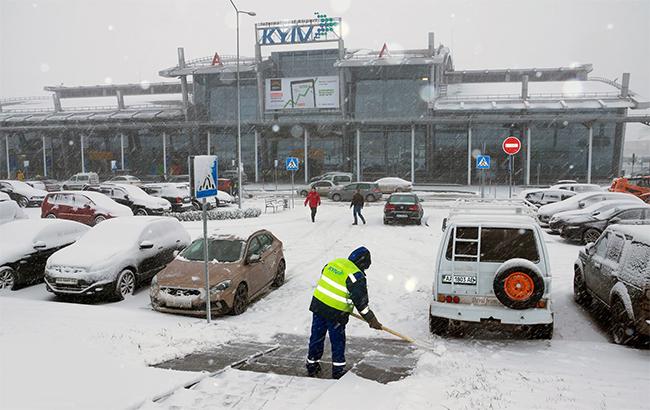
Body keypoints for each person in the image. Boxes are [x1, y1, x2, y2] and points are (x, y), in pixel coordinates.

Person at [306, 247, 382, 379]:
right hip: (336, 313)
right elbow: (361, 304)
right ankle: (338, 370)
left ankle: (312, 364)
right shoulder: (356, 277)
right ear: (363, 264)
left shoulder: (336, 262)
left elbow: (325, 272)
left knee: (317, 336)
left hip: (318, 305)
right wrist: (372, 320)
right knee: (337, 342)